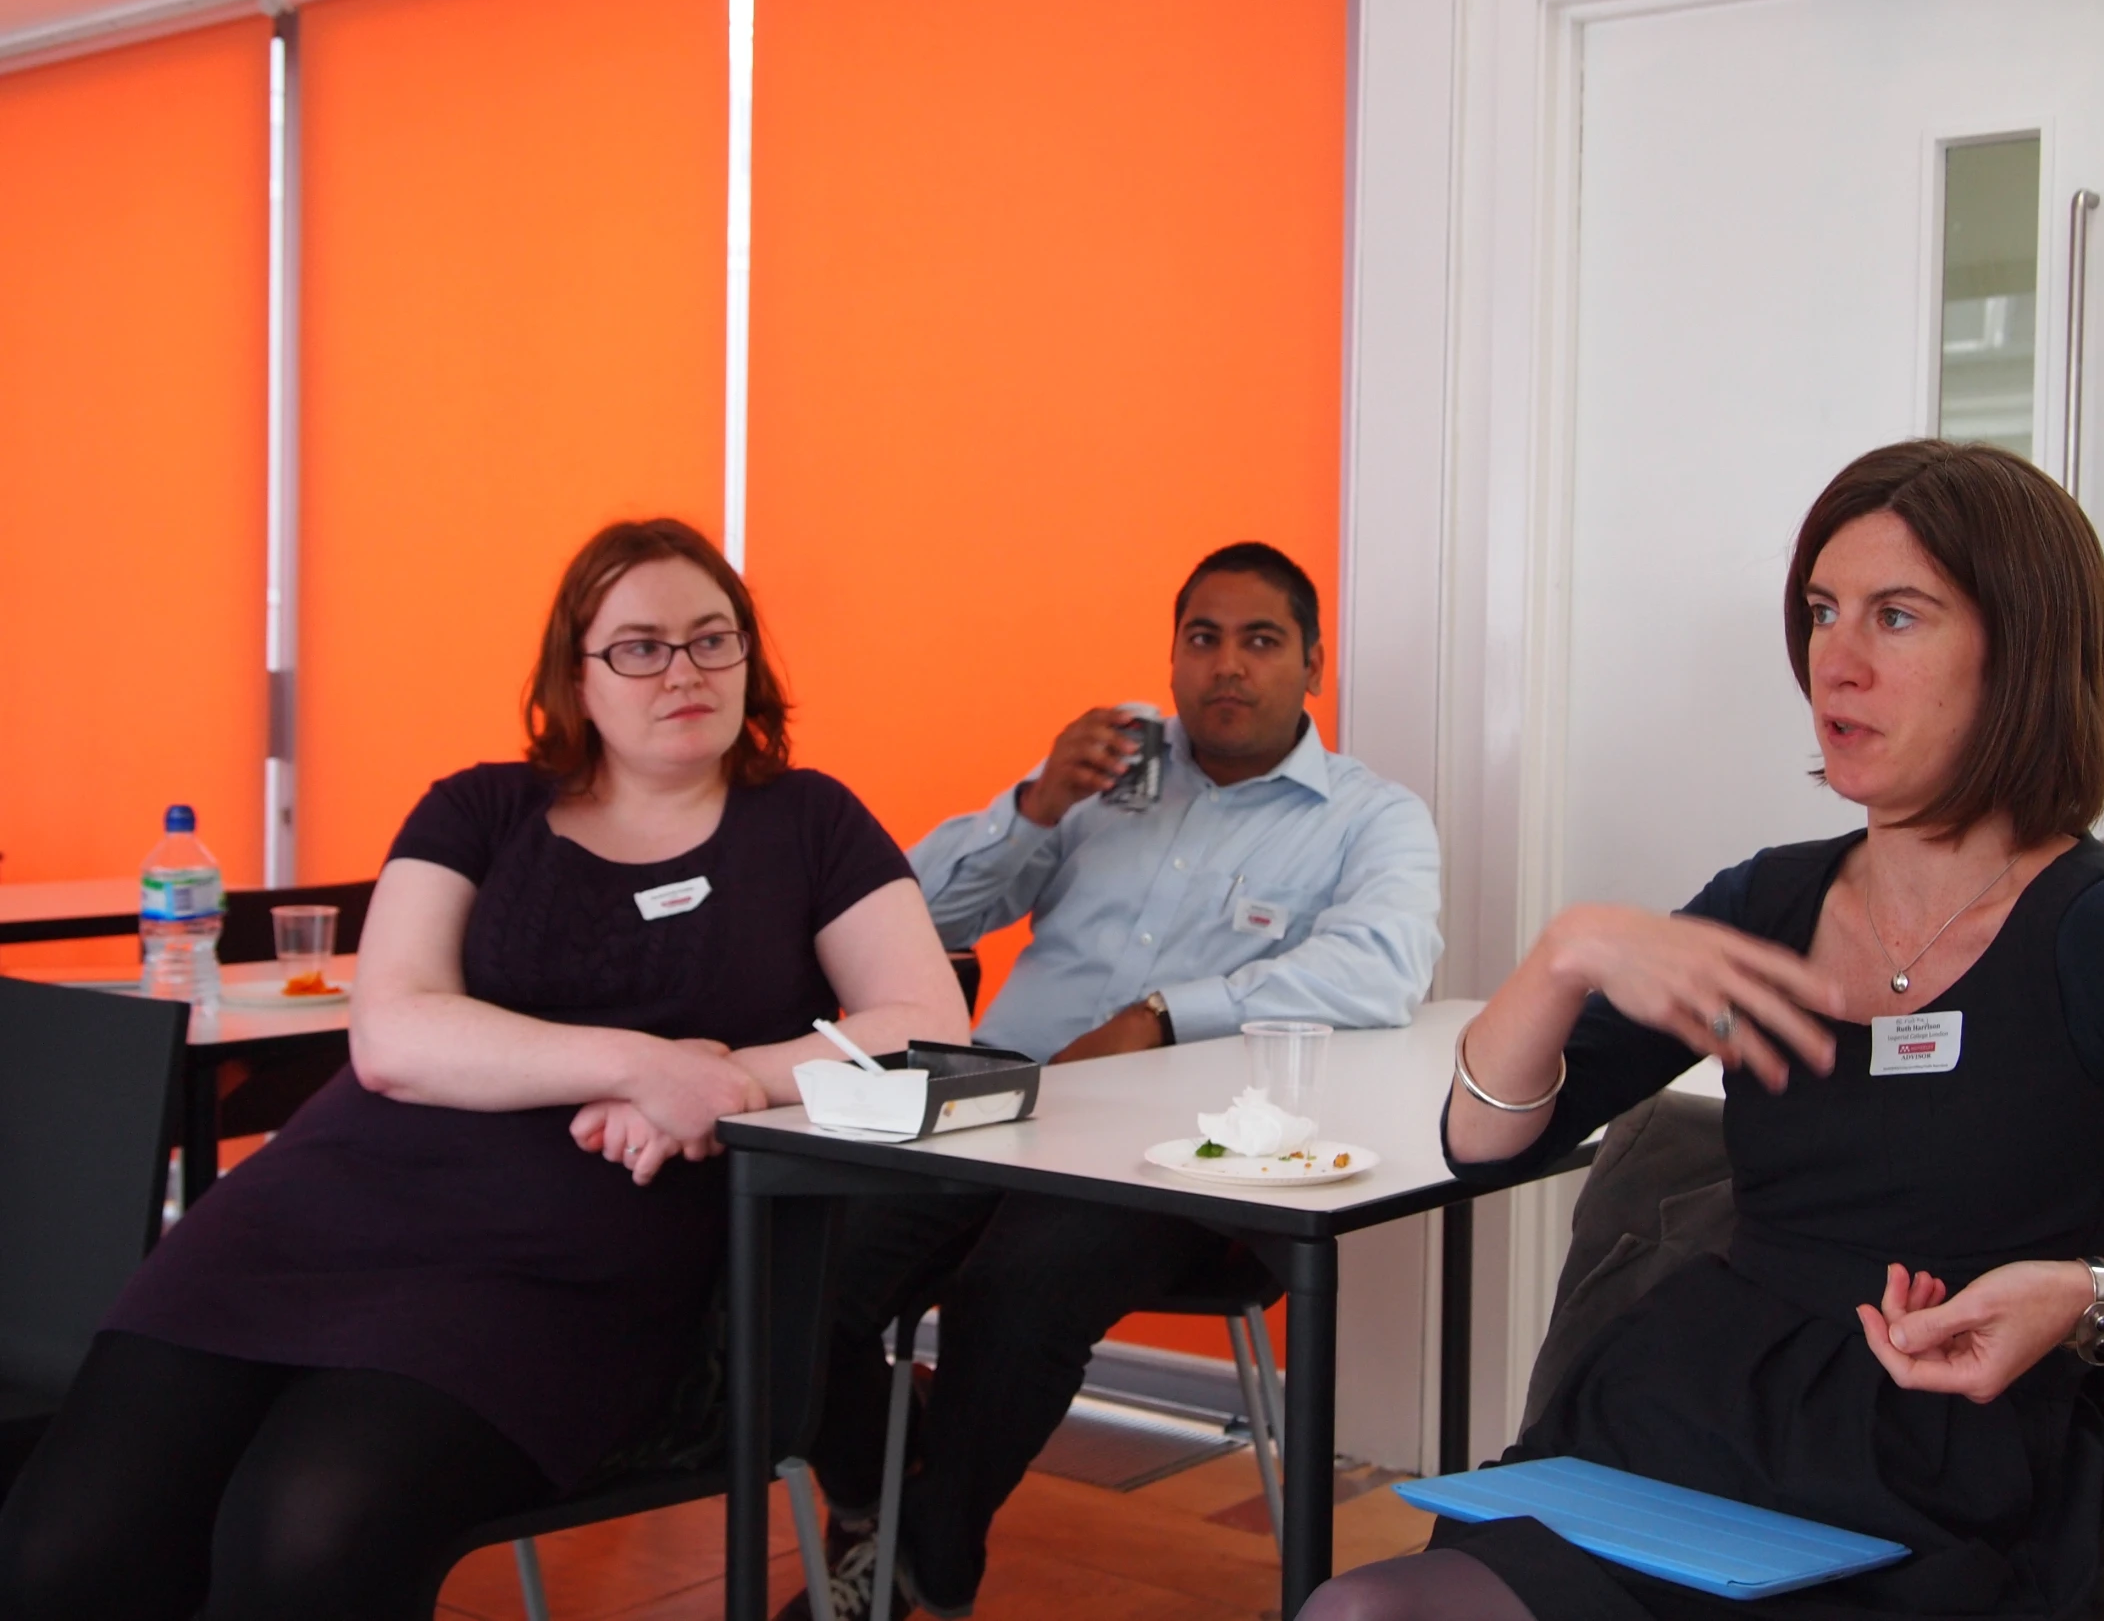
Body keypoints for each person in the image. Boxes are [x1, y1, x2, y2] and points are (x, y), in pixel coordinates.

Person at [1300, 440, 2104, 1621]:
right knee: (1363, 1610)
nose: (1831, 663)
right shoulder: (1767, 903)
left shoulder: (2102, 938)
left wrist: (2096, 1293)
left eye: (1894, 617)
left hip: (1934, 1479)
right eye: (1821, 613)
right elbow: (1486, 1142)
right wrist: (1564, 952)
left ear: (2022, 653)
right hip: (1680, 1415)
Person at [0, 518, 972, 1621]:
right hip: (314, 1219)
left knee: (306, 1537)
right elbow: (394, 1036)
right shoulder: (479, 808)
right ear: (575, 674)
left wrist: (735, 1077)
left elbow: (923, 1026)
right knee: (62, 1550)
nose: (685, 671)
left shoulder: (807, 822)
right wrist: (647, 1065)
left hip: (563, 1271)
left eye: (713, 639)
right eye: (639, 646)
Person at [782, 541, 1444, 1620]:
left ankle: (913, 1564)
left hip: (1180, 1142)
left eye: (1260, 641)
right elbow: (910, 919)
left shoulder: (1368, 818)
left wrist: (1160, 1018)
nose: (1227, 665)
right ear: (1172, 657)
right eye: (1202, 638)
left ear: (1312, 665)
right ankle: (879, 1490)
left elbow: (1381, 965)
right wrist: (1035, 802)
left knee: (1014, 1291)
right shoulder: (1106, 773)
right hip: (994, 1101)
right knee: (804, 1267)